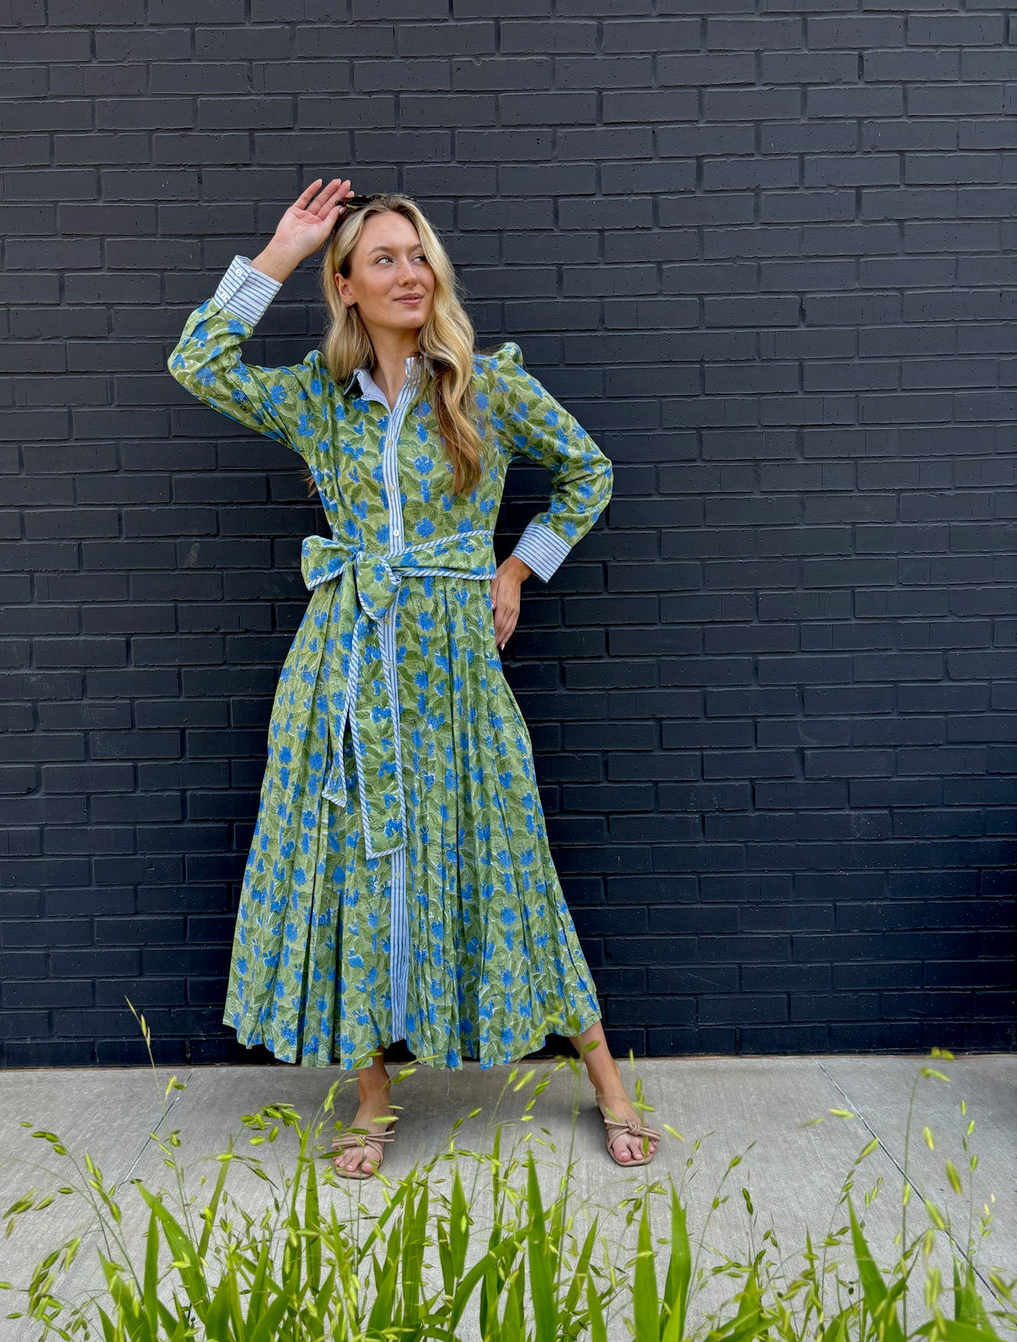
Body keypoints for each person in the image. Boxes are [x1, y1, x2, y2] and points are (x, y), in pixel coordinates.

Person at [167, 179, 660, 1177]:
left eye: (417, 254)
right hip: (340, 670)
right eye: (382, 259)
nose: (408, 272)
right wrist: (281, 249)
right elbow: (196, 361)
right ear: (344, 285)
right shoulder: (315, 397)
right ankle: (373, 1099)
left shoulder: (485, 385)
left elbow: (588, 472)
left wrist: (518, 570)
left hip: (451, 667)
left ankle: (606, 1082)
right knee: (355, 870)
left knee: (509, 856)